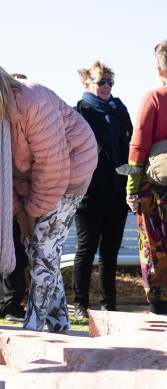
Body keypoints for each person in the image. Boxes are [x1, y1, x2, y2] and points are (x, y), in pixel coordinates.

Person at [0, 61, 98, 332]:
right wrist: (21, 214)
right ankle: (59, 324)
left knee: (42, 246)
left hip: (72, 167)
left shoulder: (33, 101)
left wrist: (32, 214)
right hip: (29, 173)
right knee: (36, 246)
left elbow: (51, 168)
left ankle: (33, 327)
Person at [72, 61, 132, 319]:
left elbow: (130, 142)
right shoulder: (81, 110)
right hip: (90, 191)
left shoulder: (119, 109)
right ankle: (81, 305)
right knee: (86, 250)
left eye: (110, 82)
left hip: (117, 191)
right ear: (87, 85)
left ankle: (109, 305)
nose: (106, 86)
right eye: (101, 82)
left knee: (110, 252)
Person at [123, 42, 167, 316]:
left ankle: (160, 305)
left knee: (154, 247)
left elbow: (137, 148)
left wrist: (131, 189)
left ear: (159, 67)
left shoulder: (154, 98)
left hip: (156, 190)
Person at [0, 71, 31, 323]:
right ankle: (8, 305)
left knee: (21, 251)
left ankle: (13, 302)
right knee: (11, 250)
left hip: (23, 192)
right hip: (5, 194)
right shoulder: (0, 121)